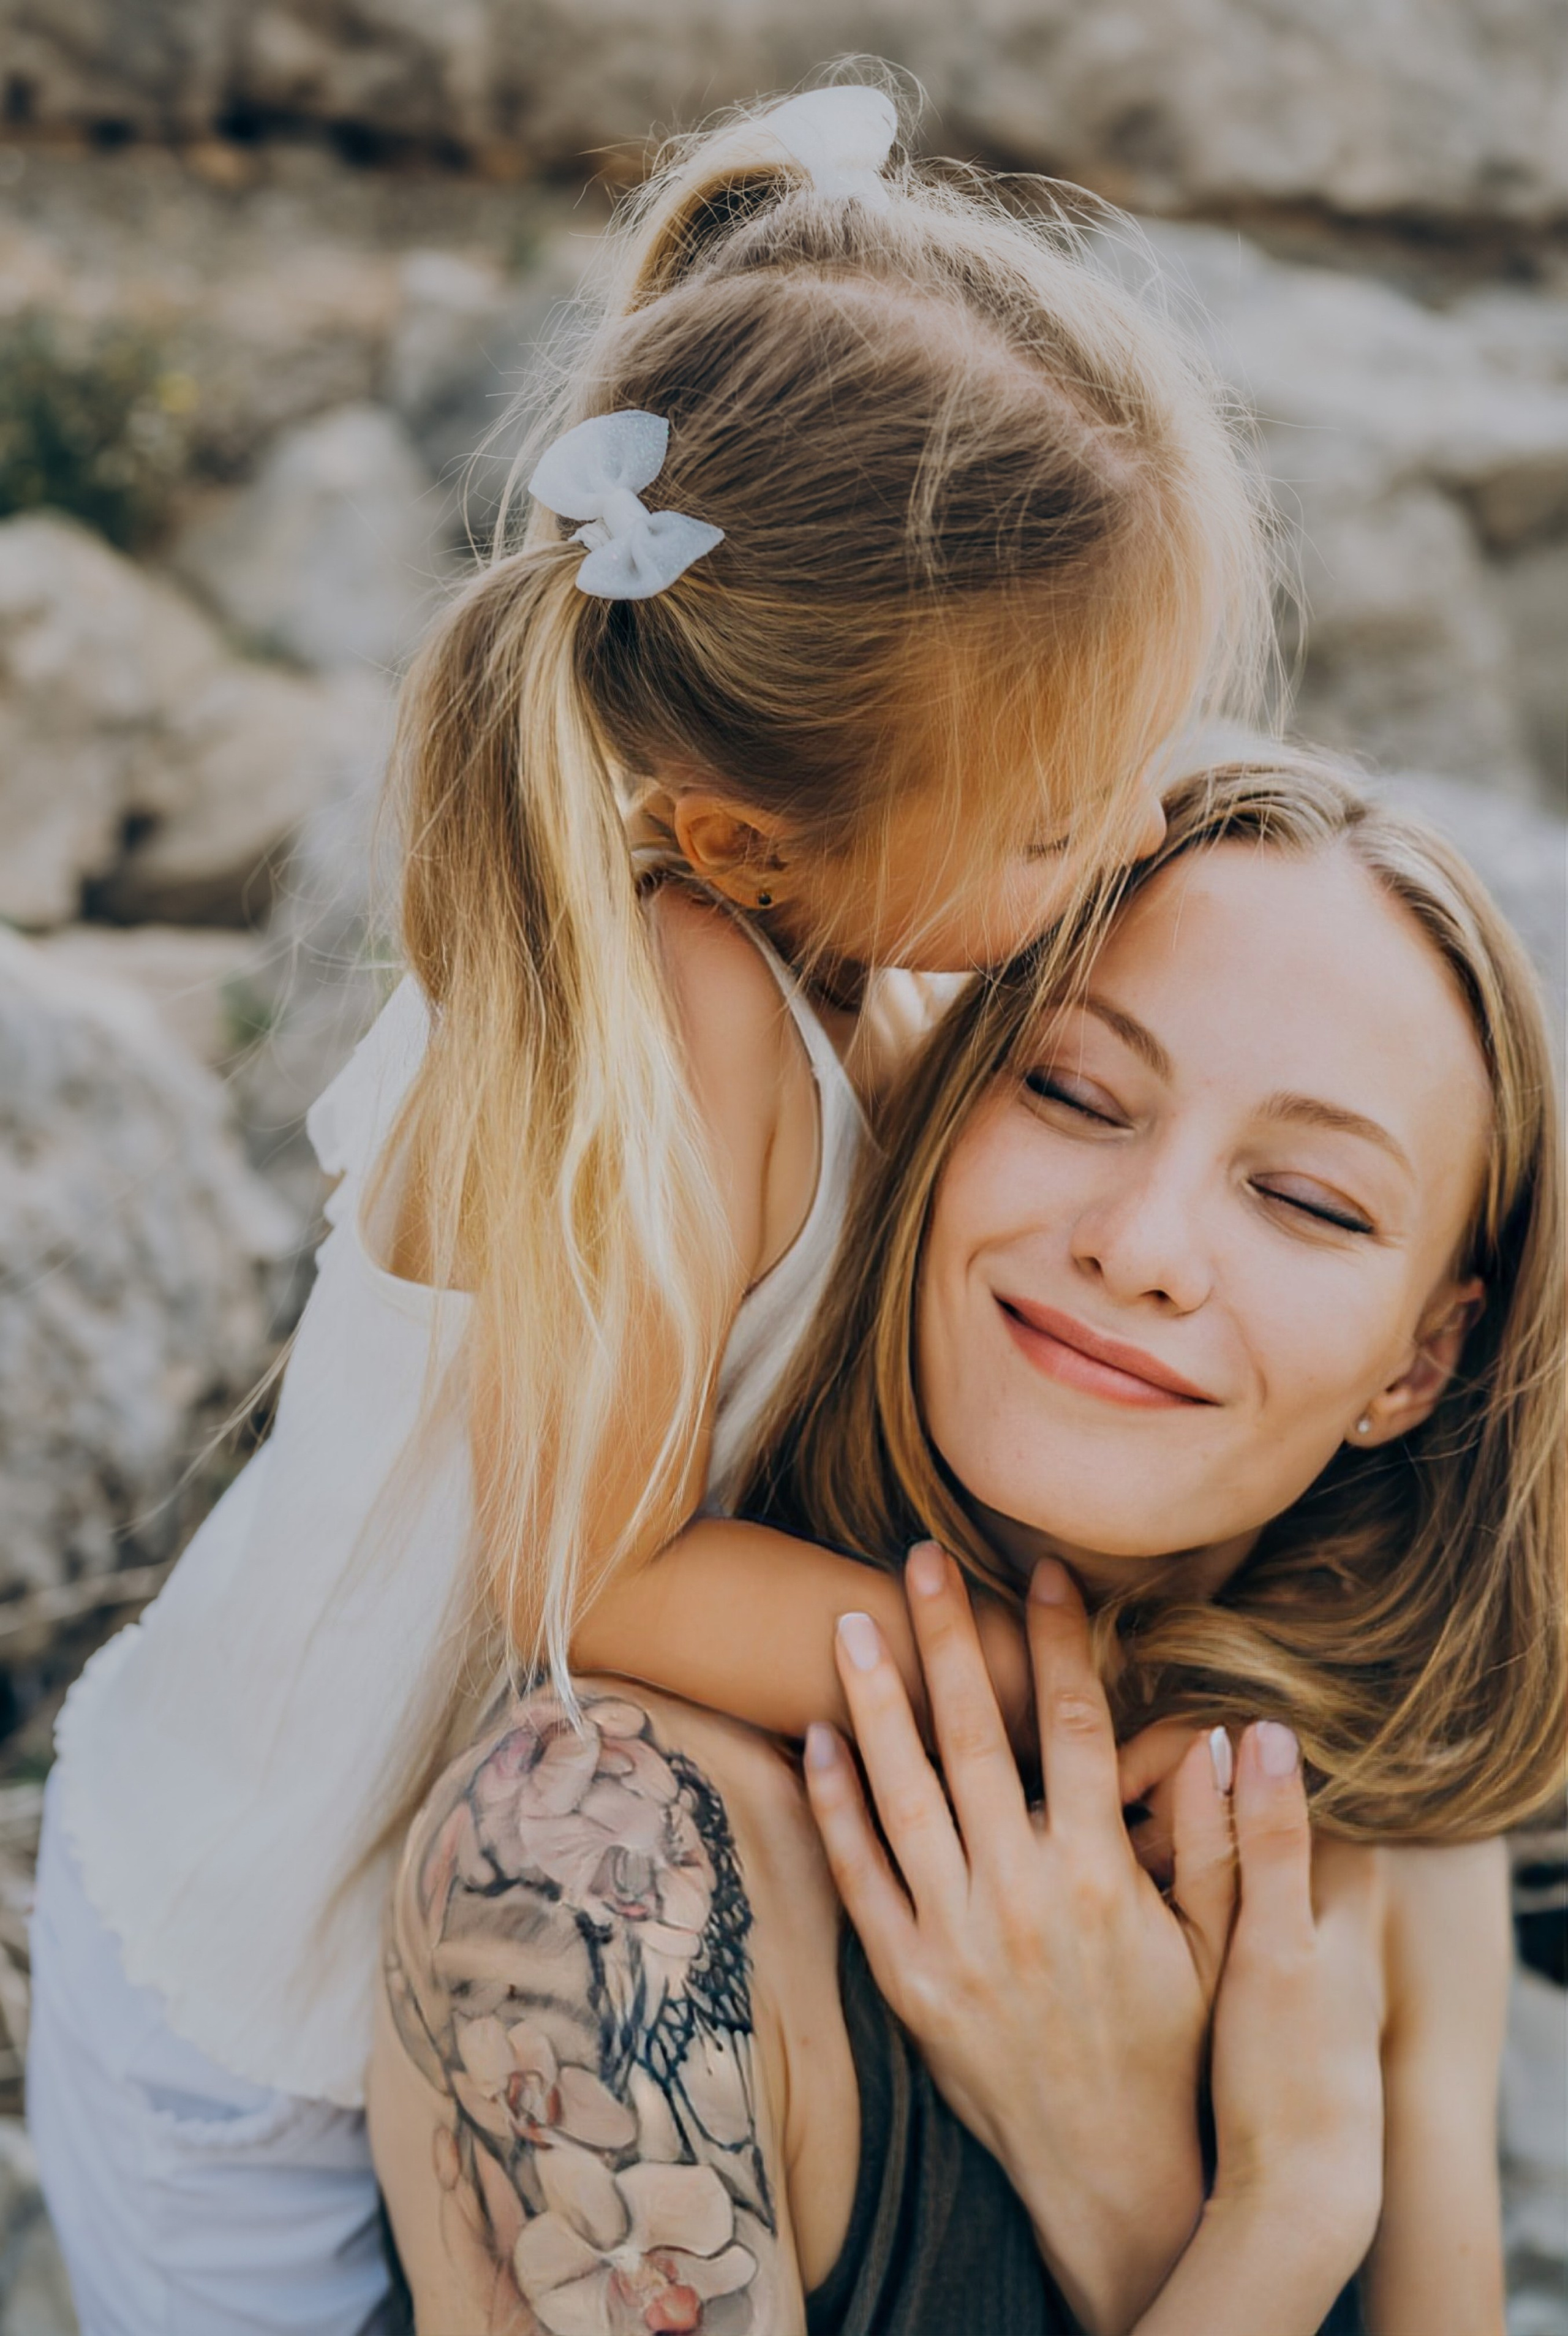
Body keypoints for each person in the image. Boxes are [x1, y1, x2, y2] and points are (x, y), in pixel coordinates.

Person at [28, 78, 1273, 2336]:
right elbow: (598, 1572)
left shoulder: (793, 955)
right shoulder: (683, 1011)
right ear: (742, 841)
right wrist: (1003, 1668)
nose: (1113, 856)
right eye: (1055, 818)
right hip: (246, 1997)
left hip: (347, 1897)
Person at [371, 756, 1562, 2334]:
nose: (1139, 1247)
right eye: (1073, 1092)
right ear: (938, 1117)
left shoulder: (1371, 1814)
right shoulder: (598, 1865)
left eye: (1305, 1198)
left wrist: (1128, 2188)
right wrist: (1277, 2218)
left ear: (1417, 1362)